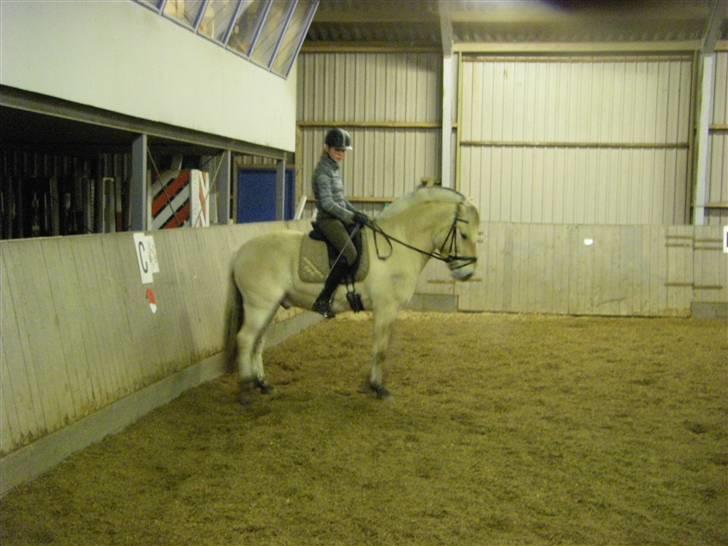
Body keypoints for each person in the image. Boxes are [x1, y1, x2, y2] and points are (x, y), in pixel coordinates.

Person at [311, 128, 369, 319]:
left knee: (361, 236)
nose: (341, 154)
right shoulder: (322, 172)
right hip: (327, 220)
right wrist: (350, 217)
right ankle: (323, 299)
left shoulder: (334, 169)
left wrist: (357, 213)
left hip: (338, 216)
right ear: (327, 148)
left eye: (343, 151)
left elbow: (341, 200)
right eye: (337, 150)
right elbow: (328, 204)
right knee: (350, 253)